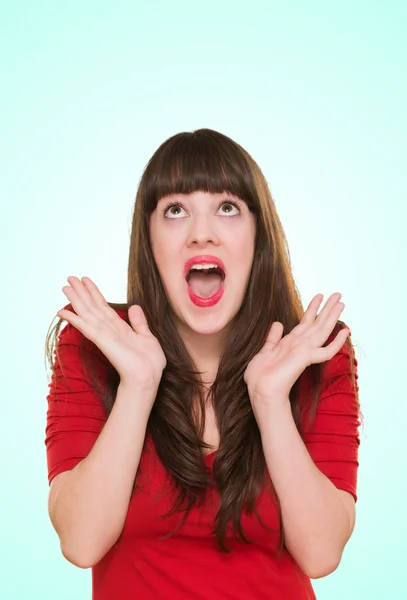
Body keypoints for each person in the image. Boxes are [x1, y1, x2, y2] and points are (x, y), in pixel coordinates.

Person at [44, 128, 362, 599]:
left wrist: (270, 401)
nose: (201, 233)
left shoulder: (315, 353)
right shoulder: (95, 344)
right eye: (175, 210)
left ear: (259, 234)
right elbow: (81, 540)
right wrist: (138, 385)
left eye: (227, 207)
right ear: (148, 239)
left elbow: (321, 553)